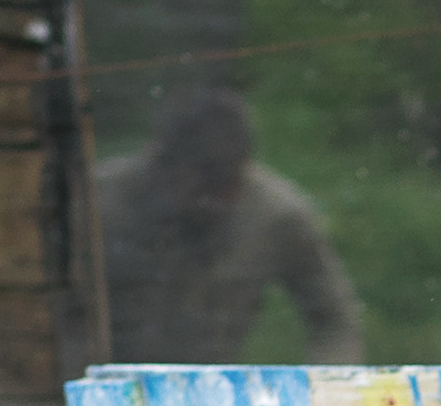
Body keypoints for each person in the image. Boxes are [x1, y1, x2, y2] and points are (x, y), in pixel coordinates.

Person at [98, 86, 362, 364]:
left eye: (227, 186)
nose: (213, 203)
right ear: (160, 163)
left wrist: (316, 396)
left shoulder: (277, 216)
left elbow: (336, 323)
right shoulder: (97, 207)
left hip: (217, 394)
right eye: (201, 188)